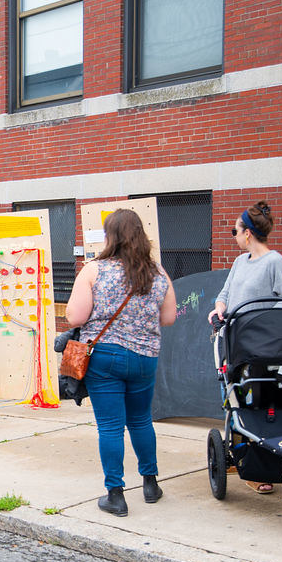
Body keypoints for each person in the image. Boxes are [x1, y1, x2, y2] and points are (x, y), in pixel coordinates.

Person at [67, 209, 177, 517]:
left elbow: (75, 317)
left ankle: (115, 495)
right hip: (145, 358)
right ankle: (151, 484)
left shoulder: (94, 270)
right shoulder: (157, 272)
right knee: (141, 420)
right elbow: (168, 318)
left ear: (110, 237)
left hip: (105, 358)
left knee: (111, 426)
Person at [207, 200, 282, 494]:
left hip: (264, 346)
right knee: (233, 397)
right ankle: (240, 453)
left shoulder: (275, 262)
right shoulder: (239, 262)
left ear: (248, 234)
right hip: (236, 342)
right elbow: (225, 293)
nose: (233, 235)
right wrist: (219, 308)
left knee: (257, 401)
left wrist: (262, 321)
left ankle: (260, 466)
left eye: (235, 230)